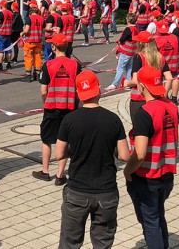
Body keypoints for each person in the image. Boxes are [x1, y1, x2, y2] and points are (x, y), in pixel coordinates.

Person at [56, 70, 130, 249]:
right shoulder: (113, 120)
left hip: (77, 191)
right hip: (106, 192)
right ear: (98, 90)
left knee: (70, 242)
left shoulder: (69, 120)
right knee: (103, 243)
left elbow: (59, 154)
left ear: (79, 94)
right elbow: (124, 156)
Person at [124, 66, 179, 249]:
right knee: (158, 216)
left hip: (147, 177)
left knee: (150, 222)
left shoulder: (144, 113)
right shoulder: (171, 107)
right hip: (166, 174)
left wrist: (127, 171)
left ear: (142, 86)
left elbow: (139, 153)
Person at [34, 34, 81, 185]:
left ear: (53, 47)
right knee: (65, 140)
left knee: (47, 140)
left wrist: (45, 103)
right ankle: (60, 175)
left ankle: (45, 171)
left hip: (51, 108)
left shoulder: (48, 65)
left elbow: (43, 91)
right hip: (70, 108)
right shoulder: (75, 65)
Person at [127, 31, 172, 120]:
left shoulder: (139, 57)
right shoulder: (160, 57)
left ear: (140, 43)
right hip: (157, 97)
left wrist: (127, 83)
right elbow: (169, 78)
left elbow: (135, 81)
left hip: (140, 98)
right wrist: (164, 95)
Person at [107, 14, 139, 91]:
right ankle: (129, 83)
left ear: (128, 20)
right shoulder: (136, 28)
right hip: (132, 51)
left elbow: (122, 39)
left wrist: (119, 41)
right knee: (129, 67)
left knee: (120, 68)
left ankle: (114, 84)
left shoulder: (128, 29)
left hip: (126, 51)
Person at [21, 1, 44, 83]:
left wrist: (22, 33)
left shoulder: (29, 18)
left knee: (28, 58)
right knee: (38, 58)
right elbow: (43, 30)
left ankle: (28, 76)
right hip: (38, 41)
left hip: (30, 42)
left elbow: (26, 30)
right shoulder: (41, 19)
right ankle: (37, 75)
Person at [0, 0, 14, 71]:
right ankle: (8, 63)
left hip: (1, 33)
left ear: (2, 5)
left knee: (0, 50)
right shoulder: (11, 13)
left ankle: (0, 64)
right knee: (8, 49)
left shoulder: (1, 13)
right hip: (8, 33)